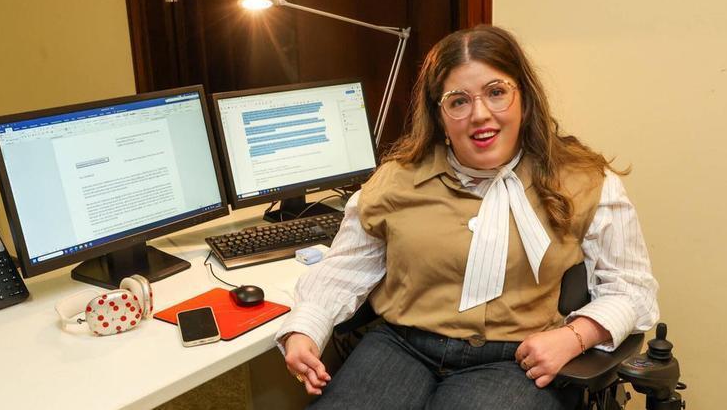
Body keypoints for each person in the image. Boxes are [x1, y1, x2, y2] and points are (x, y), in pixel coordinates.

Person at [275, 25, 659, 409]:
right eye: (458, 101)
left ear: (524, 99)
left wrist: (574, 337)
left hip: (515, 358)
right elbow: (344, 271)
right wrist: (305, 329)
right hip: (403, 346)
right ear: (439, 114)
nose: (480, 114)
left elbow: (631, 289)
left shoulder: (583, 181)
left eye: (496, 93)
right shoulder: (396, 179)